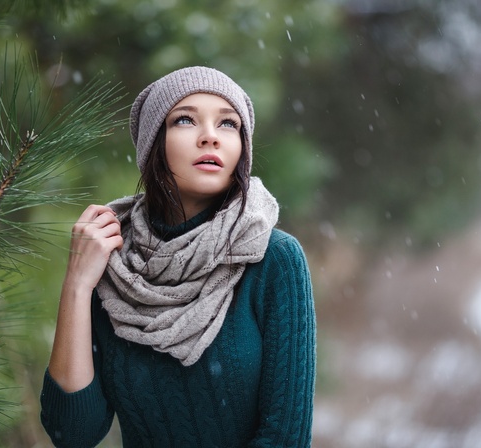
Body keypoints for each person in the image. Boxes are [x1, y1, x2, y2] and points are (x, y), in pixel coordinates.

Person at [40, 66, 316, 448]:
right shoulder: (114, 262)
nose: (210, 137)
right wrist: (76, 285)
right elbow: (72, 434)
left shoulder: (273, 259)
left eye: (228, 124)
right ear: (154, 142)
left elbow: (285, 439)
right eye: (185, 119)